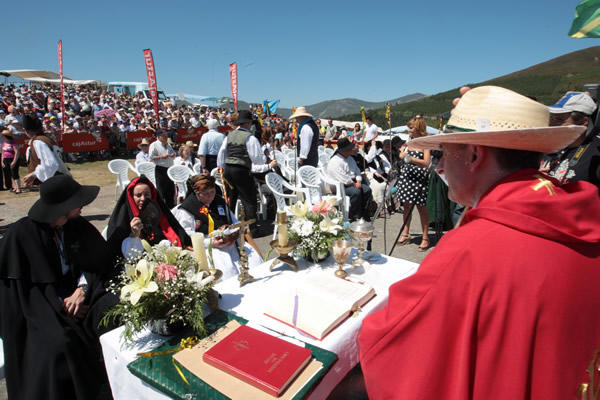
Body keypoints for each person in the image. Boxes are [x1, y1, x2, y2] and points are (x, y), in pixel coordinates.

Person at [358, 86, 600, 399]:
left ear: (474, 155)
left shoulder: (470, 249)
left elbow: (390, 346)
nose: (441, 167)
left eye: (445, 152)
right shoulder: (580, 214)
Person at [0, 175, 120, 400]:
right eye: (78, 203)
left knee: (114, 308)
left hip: (81, 295)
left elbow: (98, 262)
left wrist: (82, 290)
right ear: (62, 208)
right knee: (58, 345)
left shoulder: (78, 225)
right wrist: (60, 307)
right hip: (39, 306)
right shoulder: (21, 235)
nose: (83, 207)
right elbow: (20, 292)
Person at [171, 174, 264, 280]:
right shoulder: (187, 209)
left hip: (231, 241)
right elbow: (188, 234)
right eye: (206, 193)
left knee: (254, 262)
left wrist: (234, 231)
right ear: (197, 193)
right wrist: (212, 243)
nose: (210, 195)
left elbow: (234, 221)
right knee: (227, 270)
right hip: (209, 246)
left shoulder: (219, 201)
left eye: (212, 191)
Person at [217, 110, 277, 236]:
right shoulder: (250, 138)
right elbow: (258, 160)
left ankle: (229, 228)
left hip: (228, 170)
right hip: (242, 171)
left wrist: (222, 168)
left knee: (231, 200)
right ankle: (252, 229)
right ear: (249, 123)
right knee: (249, 200)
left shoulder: (229, 136)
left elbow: (221, 154)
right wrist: (268, 164)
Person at [107, 175, 191, 258]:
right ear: (131, 197)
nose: (143, 199)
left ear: (152, 195)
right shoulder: (122, 221)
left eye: (146, 194)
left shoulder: (160, 216)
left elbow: (178, 235)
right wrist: (134, 235)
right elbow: (117, 251)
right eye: (138, 195)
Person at [541, 91, 600, 190]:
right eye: (552, 119)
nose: (552, 125)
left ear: (583, 122)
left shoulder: (596, 153)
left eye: (559, 120)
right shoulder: (546, 147)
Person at [395, 115, 432, 251]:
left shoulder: (425, 142)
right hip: (407, 177)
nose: (409, 130)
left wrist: (410, 158)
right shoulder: (409, 140)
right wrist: (402, 154)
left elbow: (426, 163)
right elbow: (402, 153)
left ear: (418, 128)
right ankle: (405, 233)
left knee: (421, 208)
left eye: (411, 127)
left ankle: (425, 237)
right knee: (406, 206)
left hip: (418, 179)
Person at [326, 137, 372, 221]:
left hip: (352, 182)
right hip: (340, 186)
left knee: (367, 190)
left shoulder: (350, 158)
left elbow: (357, 171)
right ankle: (354, 215)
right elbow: (342, 178)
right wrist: (354, 184)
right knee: (356, 192)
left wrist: (358, 180)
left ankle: (364, 213)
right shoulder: (335, 161)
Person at [22, 113, 70, 185]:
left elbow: (51, 164)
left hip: (56, 182)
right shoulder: (46, 139)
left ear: (26, 130)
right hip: (60, 179)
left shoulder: (38, 142)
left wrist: (34, 174)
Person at [149, 129, 176, 208]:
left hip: (169, 169)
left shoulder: (168, 145)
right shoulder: (154, 145)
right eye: (163, 136)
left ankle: (170, 206)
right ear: (158, 136)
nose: (165, 137)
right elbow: (151, 157)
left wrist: (172, 155)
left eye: (166, 135)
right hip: (160, 169)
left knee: (170, 189)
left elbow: (173, 154)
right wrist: (161, 157)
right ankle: (162, 207)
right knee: (161, 190)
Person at [1, 129, 21, 193]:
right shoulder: (4, 143)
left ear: (6, 136)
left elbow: (17, 152)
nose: (2, 137)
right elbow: (3, 153)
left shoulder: (13, 142)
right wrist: (2, 161)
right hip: (6, 160)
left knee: (14, 173)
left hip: (12, 159)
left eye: (3, 136)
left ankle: (18, 188)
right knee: (9, 173)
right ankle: (14, 187)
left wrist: (14, 161)